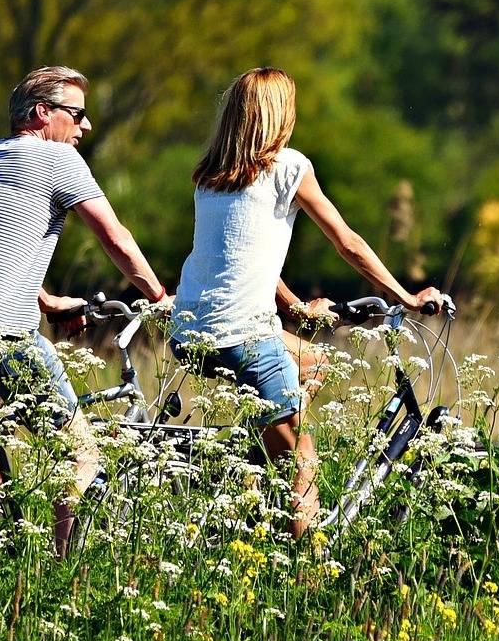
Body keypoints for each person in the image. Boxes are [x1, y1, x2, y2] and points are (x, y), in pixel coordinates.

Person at [170, 67, 445, 537]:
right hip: (243, 334)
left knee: (312, 360)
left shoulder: (210, 176)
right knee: (303, 461)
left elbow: (240, 255)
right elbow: (347, 242)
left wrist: (294, 308)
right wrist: (407, 297)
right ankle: (308, 574)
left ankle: (255, 470)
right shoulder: (289, 166)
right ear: (280, 116)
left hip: (189, 328)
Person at [0, 66, 170, 555]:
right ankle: (60, 572)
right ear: (41, 115)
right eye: (76, 115)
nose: (85, 127)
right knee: (80, 455)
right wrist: (159, 297)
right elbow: (115, 238)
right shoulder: (57, 160)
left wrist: (47, 300)